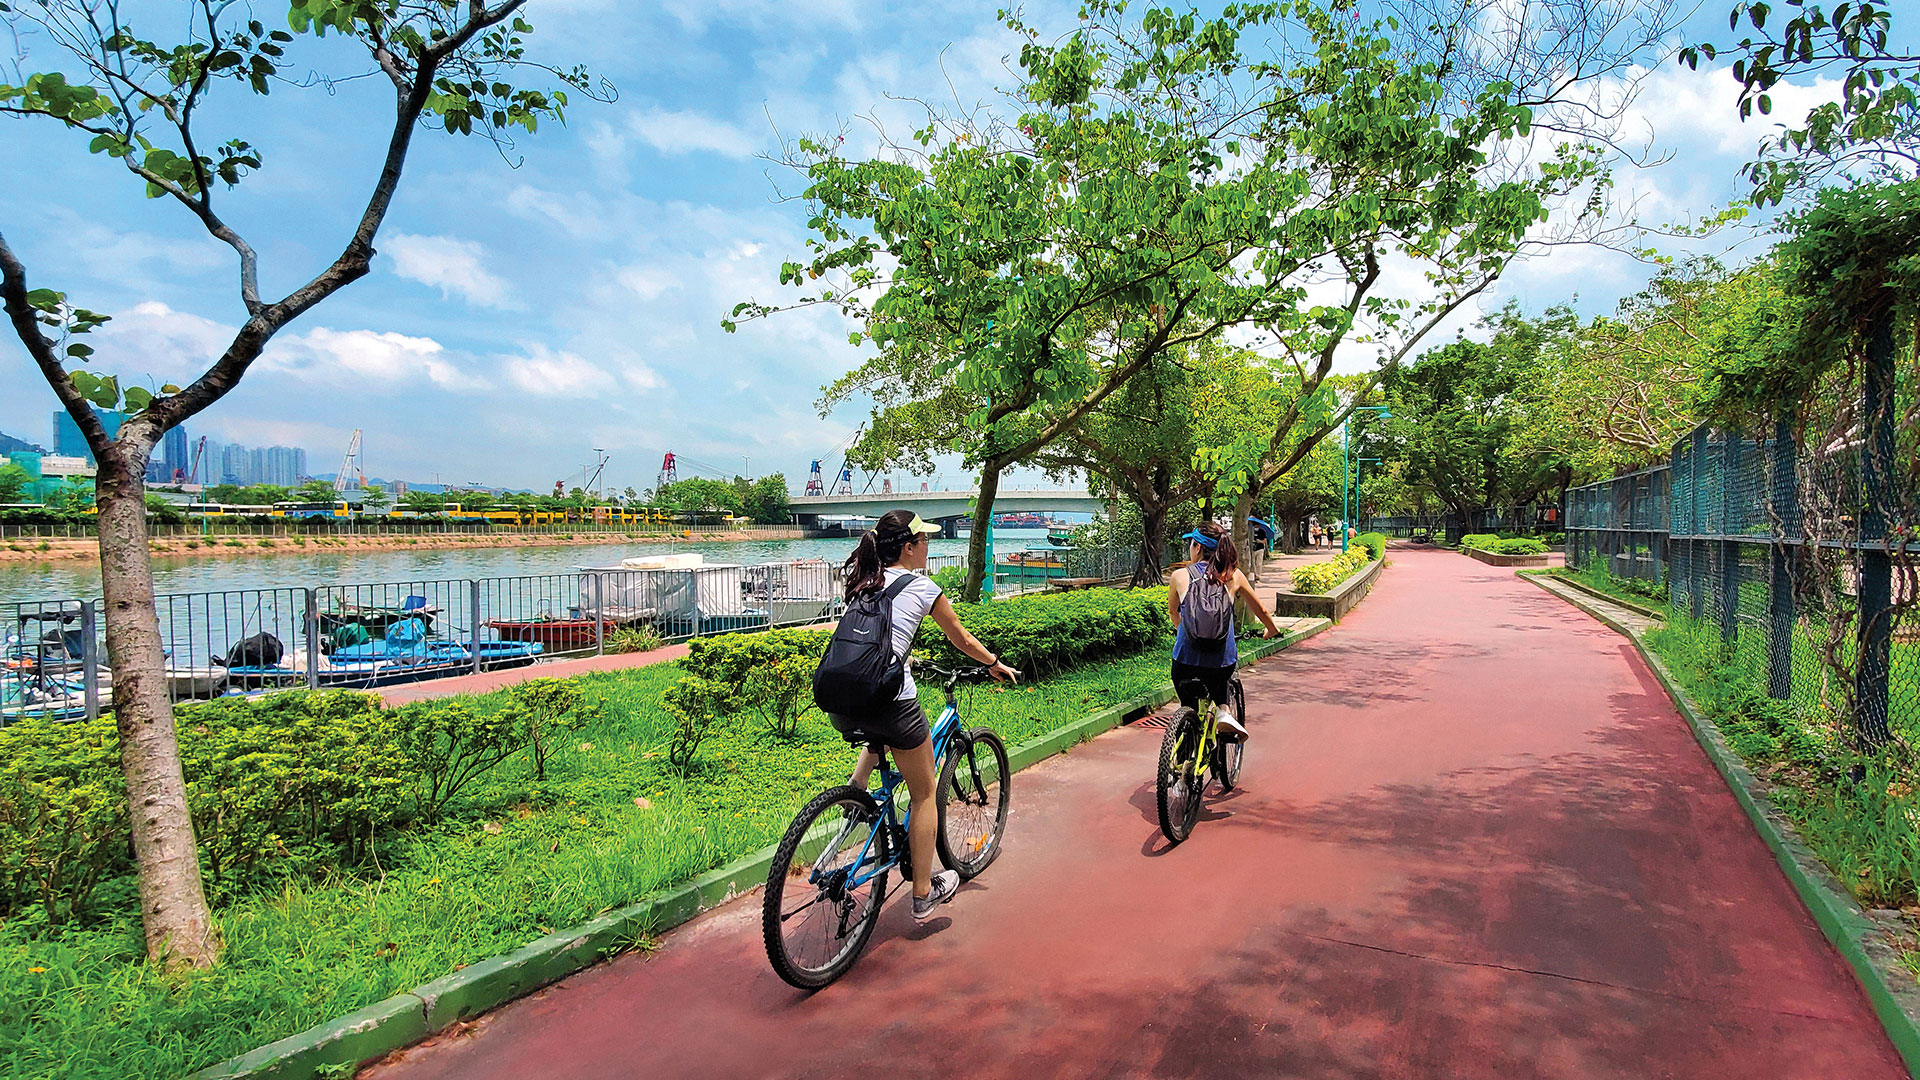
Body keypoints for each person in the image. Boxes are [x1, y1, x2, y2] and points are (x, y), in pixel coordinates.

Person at [835, 509, 1018, 920]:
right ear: (909, 547)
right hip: (891, 704)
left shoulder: (866, 581)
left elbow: (871, 637)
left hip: (844, 701)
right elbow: (961, 637)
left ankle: (857, 788)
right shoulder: (921, 587)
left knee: (880, 731)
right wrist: (992, 663)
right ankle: (922, 893)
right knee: (923, 793)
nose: (929, 546)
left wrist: (902, 658)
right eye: (925, 540)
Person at [1168, 520, 1280, 742]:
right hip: (1220, 662)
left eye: (1191, 543)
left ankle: (1184, 746)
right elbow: (1262, 610)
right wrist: (1272, 630)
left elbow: (1174, 614)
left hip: (1184, 661)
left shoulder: (1179, 576)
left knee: (1187, 704)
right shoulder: (1232, 575)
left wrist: (1188, 632)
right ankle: (1224, 711)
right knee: (1221, 682)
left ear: (1198, 547)